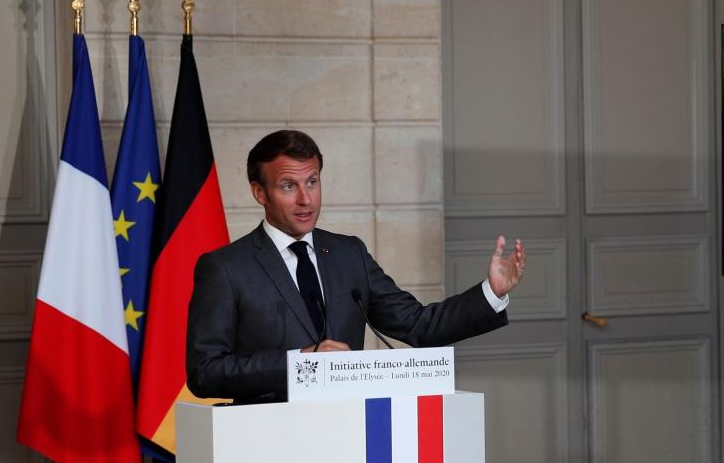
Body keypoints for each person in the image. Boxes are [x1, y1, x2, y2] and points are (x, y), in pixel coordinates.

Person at [186, 129, 524, 403]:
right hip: (267, 443)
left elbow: (420, 326)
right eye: (289, 186)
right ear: (260, 193)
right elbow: (205, 372)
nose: (306, 199)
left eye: (313, 182)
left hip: (351, 437)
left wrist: (491, 293)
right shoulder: (226, 268)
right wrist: (300, 363)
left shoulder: (348, 253)